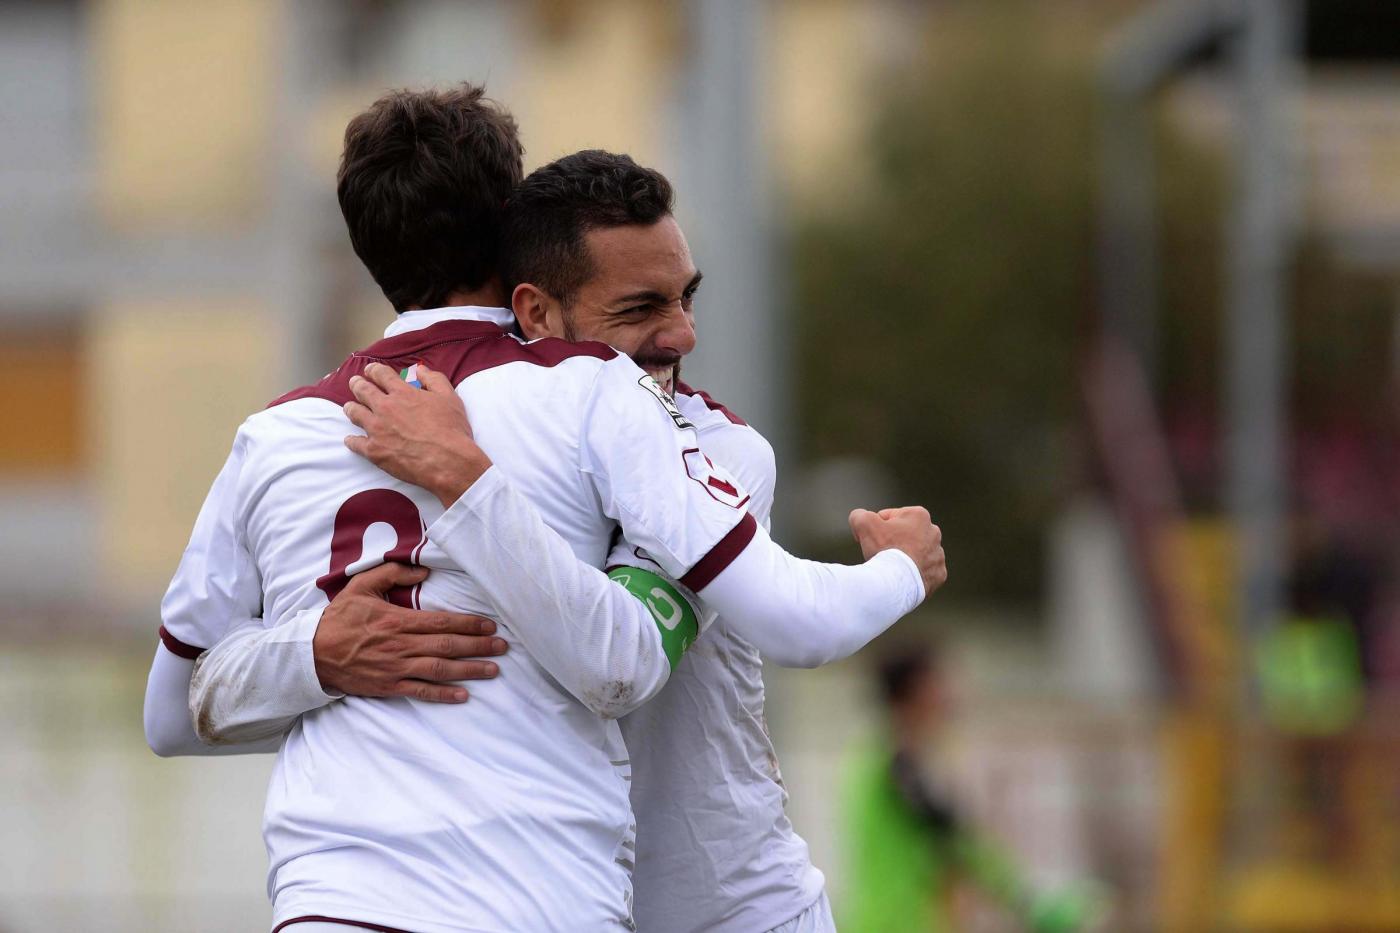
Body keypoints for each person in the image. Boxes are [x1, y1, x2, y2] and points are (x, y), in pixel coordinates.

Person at [145, 85, 943, 932]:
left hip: (353, 906)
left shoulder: (274, 436)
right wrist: (904, 566)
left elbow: (174, 709)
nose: (681, 333)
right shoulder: (599, 395)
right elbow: (631, 662)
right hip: (553, 898)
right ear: (518, 253)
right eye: (641, 306)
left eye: (686, 297)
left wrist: (309, 650)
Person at [841, 647, 1097, 933]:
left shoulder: (880, 760)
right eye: (936, 684)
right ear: (912, 695)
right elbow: (956, 841)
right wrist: (1030, 902)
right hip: (898, 924)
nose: (948, 694)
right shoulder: (898, 766)